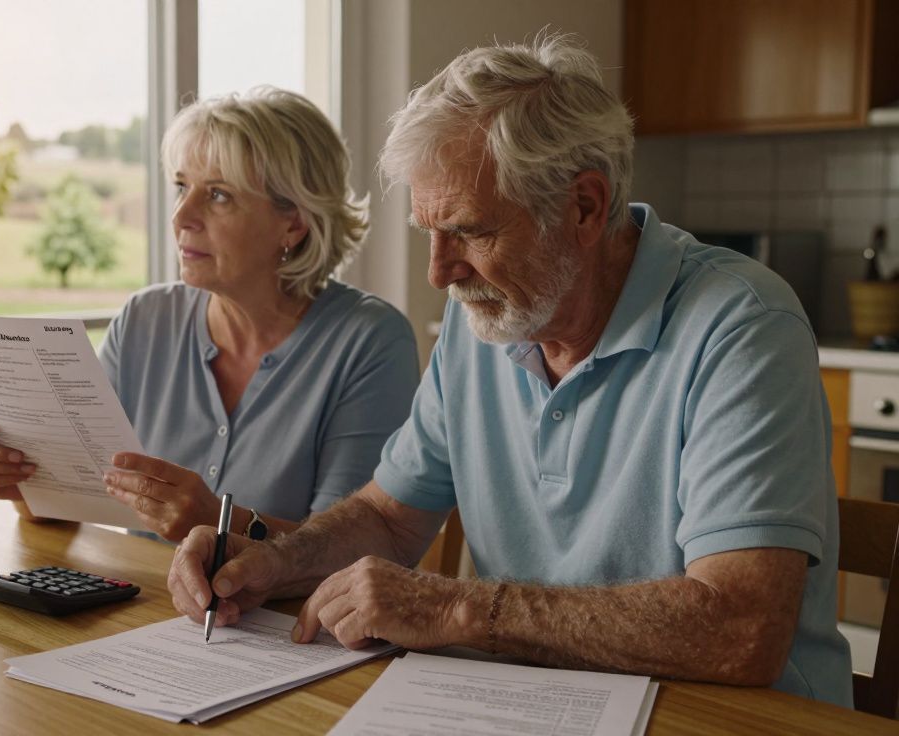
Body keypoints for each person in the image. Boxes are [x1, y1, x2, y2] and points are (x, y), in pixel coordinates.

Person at [167, 35, 852, 706]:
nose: (441, 272)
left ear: (585, 207)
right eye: (428, 233)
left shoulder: (741, 327)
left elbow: (741, 627)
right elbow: (388, 517)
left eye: (470, 231)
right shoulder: (487, 323)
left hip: (730, 719)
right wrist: (276, 560)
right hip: (533, 706)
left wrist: (464, 610)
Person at [0, 87, 419, 543]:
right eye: (182, 186)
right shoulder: (144, 319)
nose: (181, 215)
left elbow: (347, 554)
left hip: (281, 619)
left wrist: (218, 521)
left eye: (218, 195)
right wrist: (24, 482)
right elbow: (72, 506)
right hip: (142, 610)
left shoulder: (369, 341)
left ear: (293, 223)